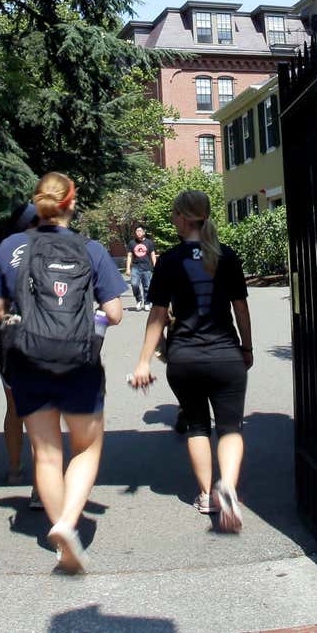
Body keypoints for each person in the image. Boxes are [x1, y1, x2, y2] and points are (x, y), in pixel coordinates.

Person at [0, 172, 126, 572]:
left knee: (46, 454)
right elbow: (114, 313)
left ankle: (61, 534)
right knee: (85, 448)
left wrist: (16, 316)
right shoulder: (91, 250)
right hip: (79, 363)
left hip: (29, 361)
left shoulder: (12, 247)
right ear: (71, 204)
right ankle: (67, 522)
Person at [126, 189, 253, 534]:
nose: (171, 220)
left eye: (173, 214)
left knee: (198, 426)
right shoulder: (226, 256)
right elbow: (240, 308)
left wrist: (143, 362)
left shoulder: (168, 260)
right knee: (229, 428)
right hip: (226, 354)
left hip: (185, 358)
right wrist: (248, 348)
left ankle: (205, 494)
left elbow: (157, 314)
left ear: (183, 218)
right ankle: (227, 485)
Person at [0, 201, 41, 499]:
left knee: (15, 408)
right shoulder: (52, 249)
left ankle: (15, 469)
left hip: (11, 342)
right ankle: (42, 487)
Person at [124, 225, 157, 311]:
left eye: (140, 231)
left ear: (143, 232)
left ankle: (147, 303)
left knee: (147, 287)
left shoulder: (149, 242)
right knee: (134, 284)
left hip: (147, 268)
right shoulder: (132, 243)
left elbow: (153, 255)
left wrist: (156, 266)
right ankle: (139, 300)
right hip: (135, 268)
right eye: (137, 231)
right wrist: (127, 268)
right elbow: (129, 256)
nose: (138, 233)